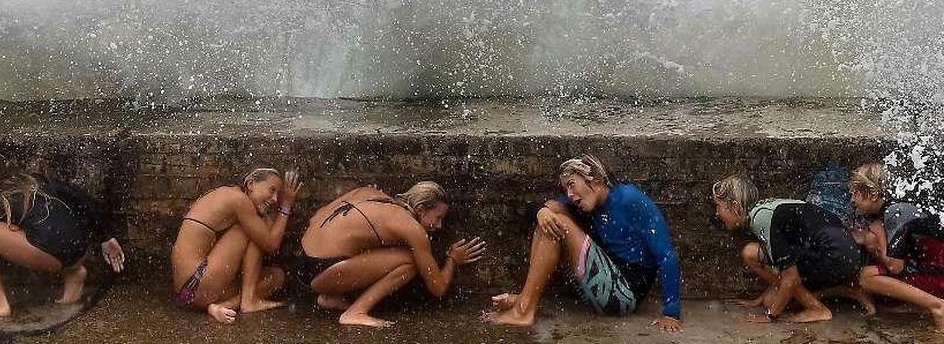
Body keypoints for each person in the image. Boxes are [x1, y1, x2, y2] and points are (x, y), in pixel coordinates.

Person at [487, 154, 683, 332]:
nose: (570, 194)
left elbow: (667, 255)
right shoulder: (584, 205)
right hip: (596, 289)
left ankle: (523, 310)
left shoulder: (629, 199)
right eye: (566, 189)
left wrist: (671, 313)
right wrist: (541, 211)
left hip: (625, 296)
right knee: (548, 217)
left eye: (572, 184)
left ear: (594, 178)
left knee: (559, 223)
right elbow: (539, 207)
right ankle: (525, 300)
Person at [0, 155, 125, 317]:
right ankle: (74, 272)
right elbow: (80, 198)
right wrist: (106, 237)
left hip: (54, 256)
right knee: (33, 227)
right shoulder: (38, 180)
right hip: (81, 247)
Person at [298, 181, 486, 328]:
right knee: (410, 260)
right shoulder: (412, 229)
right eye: (438, 218)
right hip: (319, 271)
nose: (439, 226)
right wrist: (452, 259)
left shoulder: (370, 192)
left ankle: (330, 297)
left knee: (371, 245)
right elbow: (437, 288)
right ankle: (355, 313)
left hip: (302, 262)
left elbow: (315, 217)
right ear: (421, 209)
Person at [711, 174, 869, 323]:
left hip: (835, 257)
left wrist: (770, 316)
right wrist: (764, 296)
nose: (717, 213)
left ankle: (818, 309)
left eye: (718, 206)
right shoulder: (765, 208)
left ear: (734, 206)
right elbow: (783, 257)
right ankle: (845, 290)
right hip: (847, 254)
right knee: (770, 299)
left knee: (751, 254)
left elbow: (791, 276)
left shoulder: (761, 218)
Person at [171, 168, 301, 324]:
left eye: (278, 196)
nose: (274, 199)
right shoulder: (239, 200)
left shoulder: (226, 194)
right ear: (251, 184)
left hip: (187, 295)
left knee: (276, 277)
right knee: (257, 231)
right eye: (272, 190)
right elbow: (271, 244)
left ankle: (221, 306)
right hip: (197, 282)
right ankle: (248, 301)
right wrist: (285, 206)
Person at [849, 163, 944, 330]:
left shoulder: (895, 212)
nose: (852, 199)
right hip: (927, 267)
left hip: (939, 273)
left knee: (866, 277)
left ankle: (937, 306)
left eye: (856, 193)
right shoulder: (887, 210)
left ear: (873, 194)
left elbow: (895, 266)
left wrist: (876, 240)